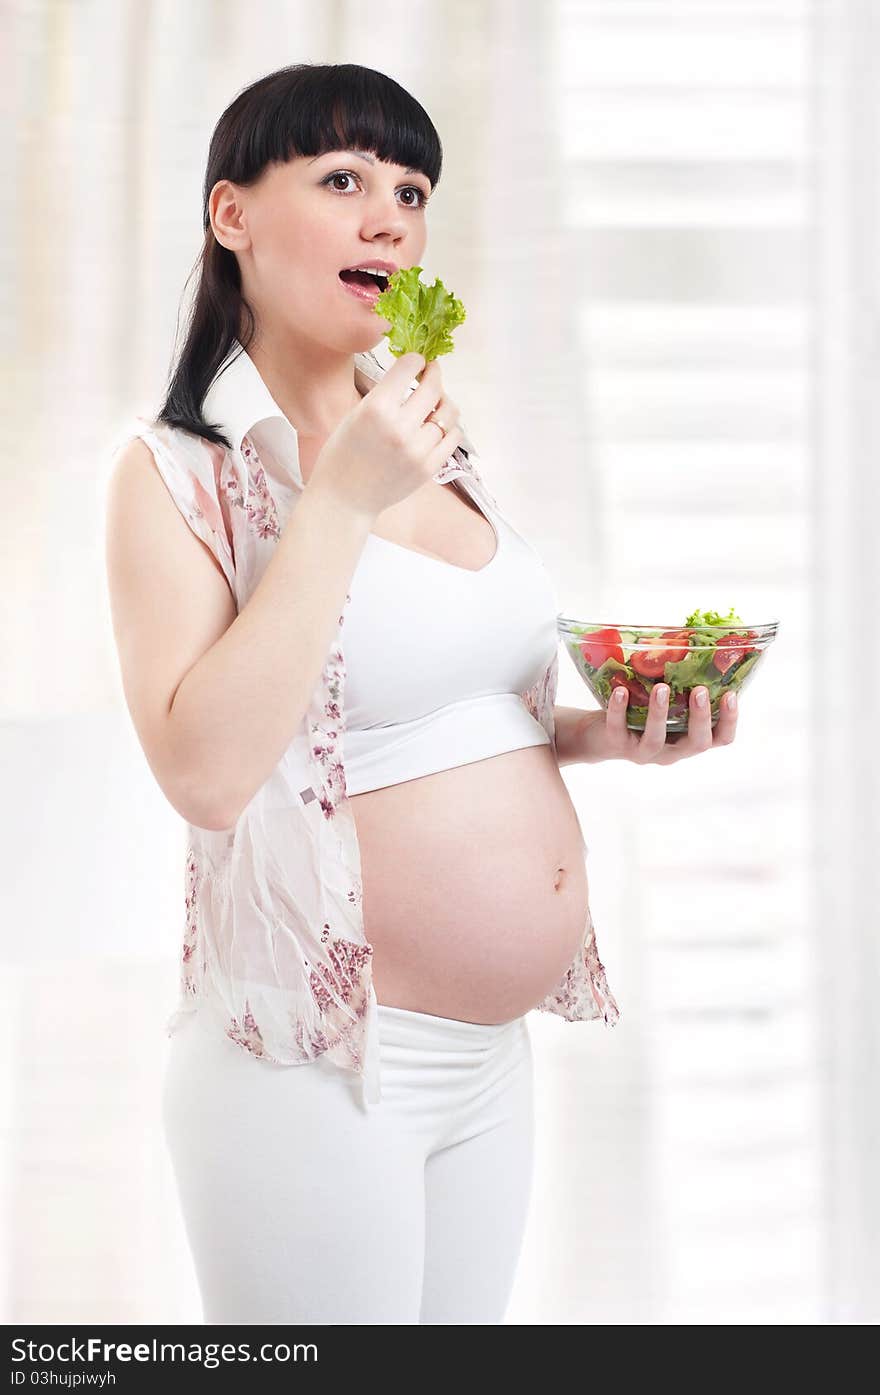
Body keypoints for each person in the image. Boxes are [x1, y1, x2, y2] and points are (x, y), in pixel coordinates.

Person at [104, 62, 620, 1326]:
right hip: (315, 1070)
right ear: (232, 216)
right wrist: (338, 498)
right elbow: (209, 774)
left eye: (411, 188)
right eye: (341, 179)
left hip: (489, 1065)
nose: (390, 215)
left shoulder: (440, 447)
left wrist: (601, 734)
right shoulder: (179, 476)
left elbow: (436, 715)